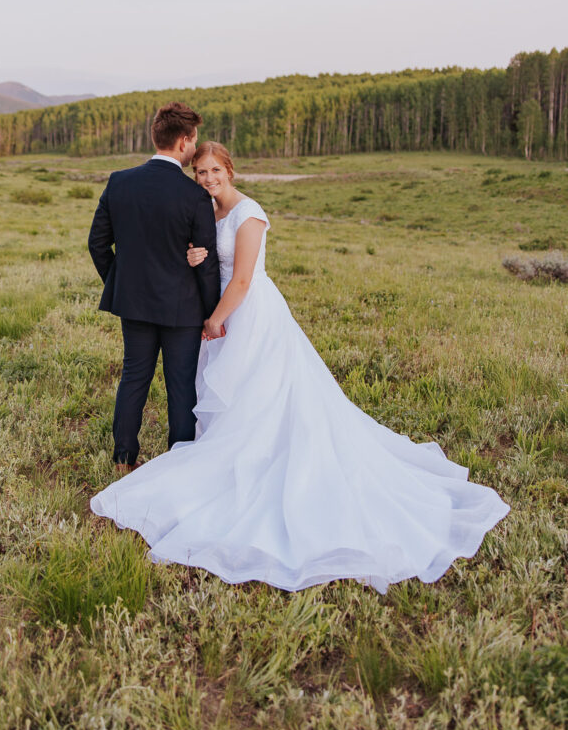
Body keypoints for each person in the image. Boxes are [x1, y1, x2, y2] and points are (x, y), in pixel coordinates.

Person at [90, 142, 509, 593]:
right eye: (200, 172)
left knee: (262, 394)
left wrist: (214, 319)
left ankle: (257, 461)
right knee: (227, 395)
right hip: (220, 312)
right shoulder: (206, 212)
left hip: (247, 313)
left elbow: (245, 278)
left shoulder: (250, 213)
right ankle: (222, 453)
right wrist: (200, 259)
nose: (207, 179)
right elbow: (206, 259)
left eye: (214, 171)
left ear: (230, 170)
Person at [87, 103, 221, 473]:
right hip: (184, 310)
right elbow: (205, 263)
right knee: (181, 387)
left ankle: (122, 461)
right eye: (193, 140)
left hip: (135, 306)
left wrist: (123, 284)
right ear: (183, 141)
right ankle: (178, 466)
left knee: (134, 378)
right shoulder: (195, 196)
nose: (194, 147)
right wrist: (211, 313)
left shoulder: (119, 182)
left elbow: (97, 244)